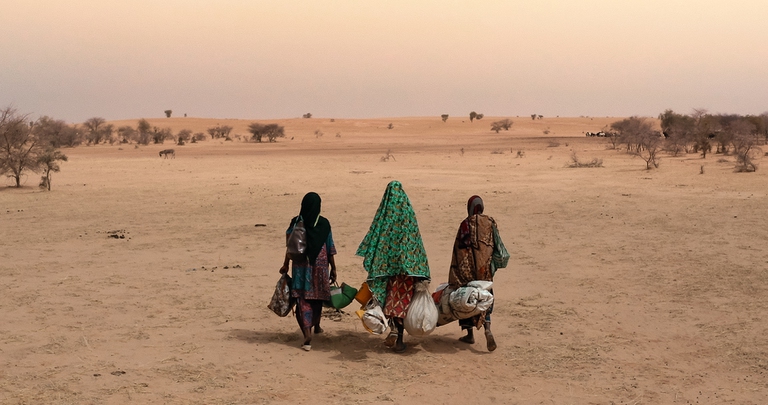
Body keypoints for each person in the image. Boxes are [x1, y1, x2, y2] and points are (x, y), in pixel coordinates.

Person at [356, 181, 431, 353]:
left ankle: (395, 332)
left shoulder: (385, 216)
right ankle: (399, 338)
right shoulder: (408, 213)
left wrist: (377, 262)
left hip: (388, 269)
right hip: (408, 271)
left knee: (390, 300)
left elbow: (375, 237)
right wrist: (420, 268)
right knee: (404, 302)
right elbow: (416, 241)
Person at [448, 195, 509, 352]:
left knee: (467, 299)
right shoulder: (490, 222)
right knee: (485, 299)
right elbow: (497, 244)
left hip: (467, 271)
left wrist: (456, 274)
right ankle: (487, 329)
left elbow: (458, 250)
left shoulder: (465, 224)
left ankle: (469, 334)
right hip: (484, 271)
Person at [280, 192, 337, 351]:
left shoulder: (296, 222)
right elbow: (330, 247)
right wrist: (333, 268)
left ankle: (307, 332)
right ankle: (316, 325)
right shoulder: (324, 224)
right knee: (317, 298)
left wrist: (285, 264)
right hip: (320, 267)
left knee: (302, 299)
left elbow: (290, 246)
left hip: (300, 266)